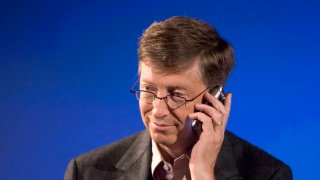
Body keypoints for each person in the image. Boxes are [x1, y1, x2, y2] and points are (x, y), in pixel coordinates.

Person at [64, 16, 292, 180]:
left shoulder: (268, 174)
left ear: (214, 99)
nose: (158, 111)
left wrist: (202, 172)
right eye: (148, 89)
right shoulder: (85, 171)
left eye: (176, 95)